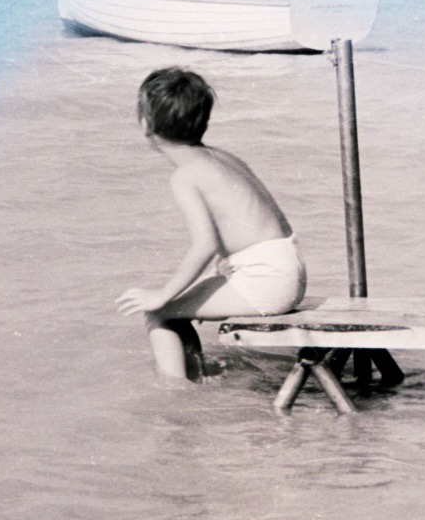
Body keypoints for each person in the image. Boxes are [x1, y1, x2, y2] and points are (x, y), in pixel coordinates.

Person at [116, 67, 306, 381]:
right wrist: (227, 264)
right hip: (285, 271)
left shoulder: (185, 175)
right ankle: (195, 379)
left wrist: (162, 294)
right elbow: (243, 223)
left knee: (158, 312)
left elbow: (203, 243)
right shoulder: (223, 158)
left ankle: (176, 394)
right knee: (177, 309)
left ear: (145, 123)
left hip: (267, 281)